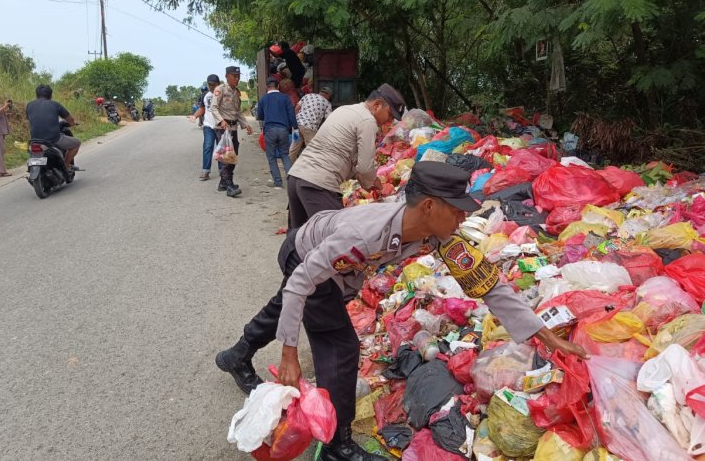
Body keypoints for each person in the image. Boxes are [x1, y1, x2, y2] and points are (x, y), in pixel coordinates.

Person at [216, 161, 588, 461]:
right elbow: (301, 282)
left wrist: (545, 333)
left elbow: (485, 280)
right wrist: (290, 354)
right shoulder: (365, 234)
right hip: (305, 258)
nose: (462, 219)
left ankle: (237, 355)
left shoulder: (435, 233)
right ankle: (337, 444)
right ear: (429, 206)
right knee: (340, 345)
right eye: (457, 211)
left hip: (328, 265)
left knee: (285, 308)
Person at [287, 83, 406, 228]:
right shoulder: (367, 121)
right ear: (377, 105)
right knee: (334, 237)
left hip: (296, 177)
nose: (390, 121)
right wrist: (372, 184)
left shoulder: (344, 110)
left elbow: (350, 157)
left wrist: (365, 178)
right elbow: (365, 167)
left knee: (297, 238)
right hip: (318, 184)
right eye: (389, 114)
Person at [210, 66, 253, 197]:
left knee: (233, 155)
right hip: (223, 129)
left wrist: (246, 124)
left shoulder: (236, 92)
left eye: (238, 76)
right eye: (234, 76)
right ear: (227, 76)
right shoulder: (220, 90)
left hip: (233, 128)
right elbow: (213, 108)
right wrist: (221, 121)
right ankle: (229, 185)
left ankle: (223, 183)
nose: (237, 78)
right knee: (226, 156)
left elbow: (237, 111)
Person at [26, 85, 81, 170]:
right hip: (53, 140)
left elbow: (29, 120)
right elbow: (70, 119)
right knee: (76, 143)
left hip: (35, 140)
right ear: (51, 96)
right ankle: (66, 165)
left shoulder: (29, 105)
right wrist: (73, 124)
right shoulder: (55, 105)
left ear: (36, 95)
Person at [257, 77, 298, 188]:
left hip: (269, 131)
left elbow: (260, 116)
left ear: (267, 87)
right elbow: (291, 115)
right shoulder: (285, 98)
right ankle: (291, 181)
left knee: (271, 158)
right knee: (285, 155)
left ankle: (278, 182)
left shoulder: (263, 99)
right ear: (278, 86)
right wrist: (296, 128)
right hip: (284, 130)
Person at [288, 86, 333, 162]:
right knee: (312, 149)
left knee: (294, 147)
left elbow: (296, 108)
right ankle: (309, 169)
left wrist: (296, 121)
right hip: (309, 128)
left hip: (297, 126)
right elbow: (328, 120)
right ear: (328, 95)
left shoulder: (307, 96)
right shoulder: (327, 103)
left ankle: (289, 167)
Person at [192, 74, 220, 180]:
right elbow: (202, 109)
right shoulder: (205, 95)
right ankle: (206, 171)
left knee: (221, 149)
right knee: (207, 147)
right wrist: (194, 116)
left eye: (214, 84)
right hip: (208, 126)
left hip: (220, 126)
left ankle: (223, 171)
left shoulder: (222, 94)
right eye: (210, 84)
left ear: (218, 84)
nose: (212, 87)